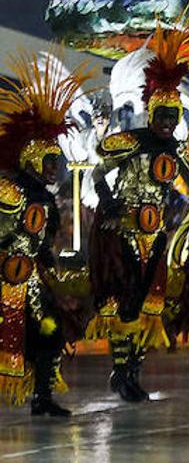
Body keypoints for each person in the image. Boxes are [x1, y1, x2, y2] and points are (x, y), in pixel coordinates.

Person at [87, 24, 189, 402]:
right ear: (152, 112)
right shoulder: (129, 142)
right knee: (124, 301)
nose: (170, 123)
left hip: (155, 235)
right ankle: (120, 372)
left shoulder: (173, 152)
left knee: (152, 303)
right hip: (120, 231)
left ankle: (134, 371)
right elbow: (97, 172)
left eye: (174, 116)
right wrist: (107, 201)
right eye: (164, 115)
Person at [0, 56, 89, 417]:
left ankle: (42, 397)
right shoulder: (8, 191)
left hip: (31, 280)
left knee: (50, 333)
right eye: (50, 162)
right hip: (4, 277)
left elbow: (45, 245)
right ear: (34, 161)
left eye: (57, 162)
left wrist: (54, 275)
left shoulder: (47, 199)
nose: (55, 168)